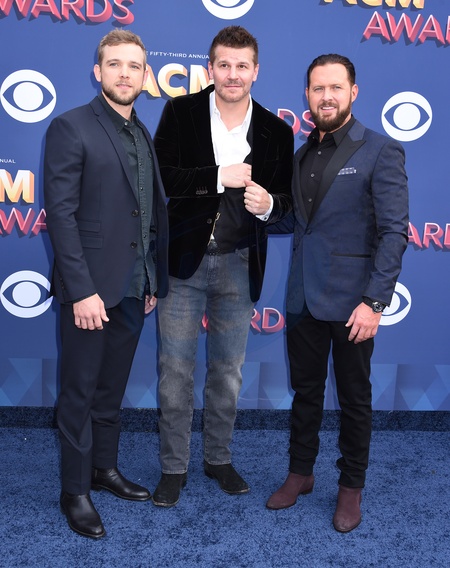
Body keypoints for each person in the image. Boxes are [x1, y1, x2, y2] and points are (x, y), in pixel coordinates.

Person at [266, 54, 409, 532]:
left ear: (353, 92)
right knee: (305, 392)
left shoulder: (380, 149)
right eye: (317, 89)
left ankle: (350, 487)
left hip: (353, 304)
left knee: (354, 399)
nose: (326, 97)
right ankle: (300, 473)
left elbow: (394, 232)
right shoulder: (301, 154)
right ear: (307, 95)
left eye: (335, 88)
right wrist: (265, 208)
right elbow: (295, 222)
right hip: (302, 298)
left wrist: (374, 302)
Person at [152, 25, 293, 507]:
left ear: (256, 71)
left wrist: (269, 205)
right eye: (224, 65)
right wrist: (218, 177)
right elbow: (162, 177)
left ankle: (218, 458)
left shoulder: (277, 131)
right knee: (174, 372)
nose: (233, 74)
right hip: (182, 264)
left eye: (242, 66)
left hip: (239, 263)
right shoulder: (180, 112)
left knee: (228, 372)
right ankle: (173, 467)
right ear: (210, 68)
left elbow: (289, 205)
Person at [44, 30, 169, 539]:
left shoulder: (142, 132)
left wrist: (151, 276)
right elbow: (61, 216)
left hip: (134, 288)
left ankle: (104, 468)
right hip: (89, 292)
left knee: (111, 388)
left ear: (145, 76)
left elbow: (146, 214)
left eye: (134, 66)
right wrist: (81, 290)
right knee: (79, 392)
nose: (124, 73)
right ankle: (75, 491)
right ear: (98, 71)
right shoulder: (70, 127)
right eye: (114, 64)